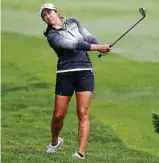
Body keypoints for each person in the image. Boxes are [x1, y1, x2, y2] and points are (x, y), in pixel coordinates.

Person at [39, 3, 111, 160]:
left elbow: (87, 36)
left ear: (56, 12)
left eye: (49, 12)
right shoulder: (52, 36)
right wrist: (97, 47)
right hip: (65, 74)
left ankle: (80, 153)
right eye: (44, 16)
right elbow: (73, 45)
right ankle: (55, 142)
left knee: (83, 113)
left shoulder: (73, 22)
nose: (48, 16)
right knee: (59, 114)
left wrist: (100, 46)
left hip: (85, 72)